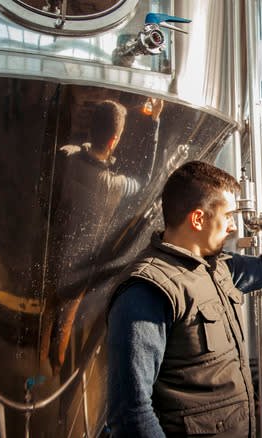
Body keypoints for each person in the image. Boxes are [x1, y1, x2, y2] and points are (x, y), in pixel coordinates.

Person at [106, 161, 262, 437]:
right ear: (198, 219)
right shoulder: (147, 291)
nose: (232, 226)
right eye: (228, 216)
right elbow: (131, 411)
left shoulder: (220, 268)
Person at [41, 98, 163, 372]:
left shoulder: (66, 157)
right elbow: (144, 178)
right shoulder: (112, 185)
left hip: (53, 253)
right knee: (66, 322)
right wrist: (153, 122)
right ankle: (54, 372)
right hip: (81, 267)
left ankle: (37, 368)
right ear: (113, 141)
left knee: (47, 312)